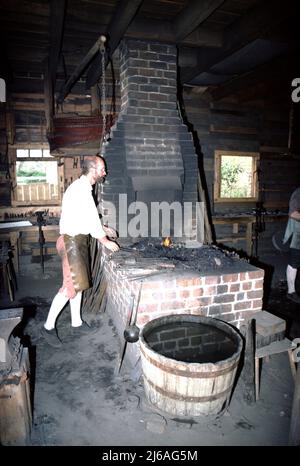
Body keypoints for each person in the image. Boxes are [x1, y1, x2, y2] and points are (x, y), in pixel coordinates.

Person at [41, 155, 119, 347]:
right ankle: (48, 327)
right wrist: (105, 240)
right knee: (69, 287)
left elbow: (86, 218)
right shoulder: (81, 190)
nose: (105, 172)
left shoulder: (82, 188)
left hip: (77, 242)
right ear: (93, 170)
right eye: (102, 169)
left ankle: (76, 322)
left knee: (78, 283)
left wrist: (103, 229)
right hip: (70, 243)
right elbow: (91, 220)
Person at [283, 187, 300, 303]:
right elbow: (293, 213)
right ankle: (291, 292)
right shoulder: (298, 193)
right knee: (294, 262)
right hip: (297, 234)